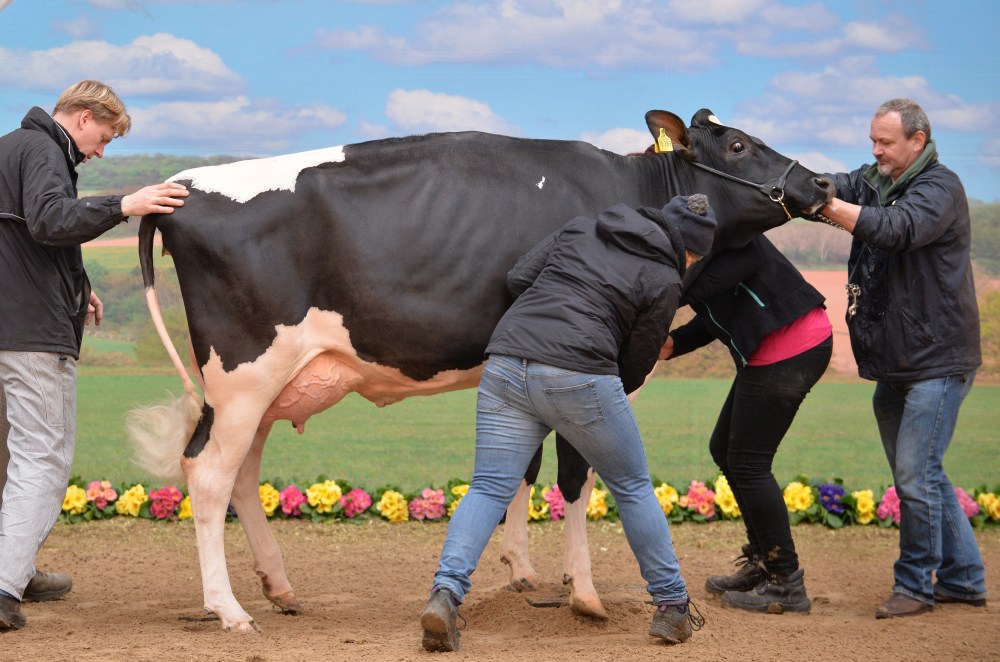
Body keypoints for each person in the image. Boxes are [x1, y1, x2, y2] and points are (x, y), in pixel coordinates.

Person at [420, 195, 717, 652]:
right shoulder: (664, 277)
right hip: (578, 373)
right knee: (632, 485)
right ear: (689, 251)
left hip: (506, 361)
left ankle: (445, 595)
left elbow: (518, 278)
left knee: (487, 488)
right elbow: (637, 360)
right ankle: (673, 607)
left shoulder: (581, 228)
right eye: (695, 257)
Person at [0, 79, 189, 631]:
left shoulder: (8, 147)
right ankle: (5, 583)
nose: (101, 151)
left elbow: (21, 238)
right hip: (32, 334)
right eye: (102, 138)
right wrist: (124, 205)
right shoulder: (45, 150)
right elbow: (51, 220)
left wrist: (79, 288)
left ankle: (19, 565)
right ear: (82, 117)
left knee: (10, 457)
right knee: (44, 456)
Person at [817, 98, 985, 618]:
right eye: (873, 141)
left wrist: (828, 209)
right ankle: (962, 579)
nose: (876, 151)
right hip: (897, 360)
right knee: (923, 474)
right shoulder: (875, 178)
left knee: (915, 474)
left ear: (918, 140)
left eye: (885, 142)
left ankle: (914, 585)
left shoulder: (941, 188)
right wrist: (789, 179)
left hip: (938, 359)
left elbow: (896, 229)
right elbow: (836, 184)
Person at [661, 235, 832, 614]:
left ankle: (786, 582)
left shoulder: (735, 241)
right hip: (773, 349)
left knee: (749, 463)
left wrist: (656, 293)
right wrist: (672, 343)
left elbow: (707, 283)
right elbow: (718, 311)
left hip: (792, 346)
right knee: (724, 450)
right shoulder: (700, 260)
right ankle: (763, 562)